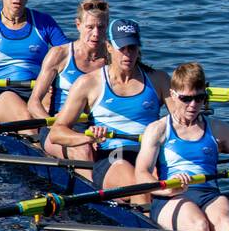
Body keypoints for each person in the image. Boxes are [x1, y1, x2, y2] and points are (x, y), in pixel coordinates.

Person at [135, 62, 229, 231]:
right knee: (199, 226)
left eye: (199, 98)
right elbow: (141, 175)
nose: (193, 105)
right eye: (186, 99)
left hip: (208, 194)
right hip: (171, 197)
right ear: (173, 94)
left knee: (225, 223)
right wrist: (168, 189)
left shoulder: (216, 128)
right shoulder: (158, 130)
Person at [50, 18, 170, 198]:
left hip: (151, 153)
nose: (127, 54)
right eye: (122, 48)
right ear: (109, 47)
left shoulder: (159, 80)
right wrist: (88, 138)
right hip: (113, 156)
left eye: (132, 48)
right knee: (143, 190)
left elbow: (182, 121)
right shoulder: (88, 83)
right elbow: (56, 133)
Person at [26, 0, 109, 160]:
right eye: (90, 27)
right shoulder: (59, 55)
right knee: (84, 152)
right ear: (78, 25)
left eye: (101, 27)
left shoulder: (113, 58)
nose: (96, 34)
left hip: (99, 128)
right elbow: (33, 103)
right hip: (60, 127)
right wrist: (52, 123)